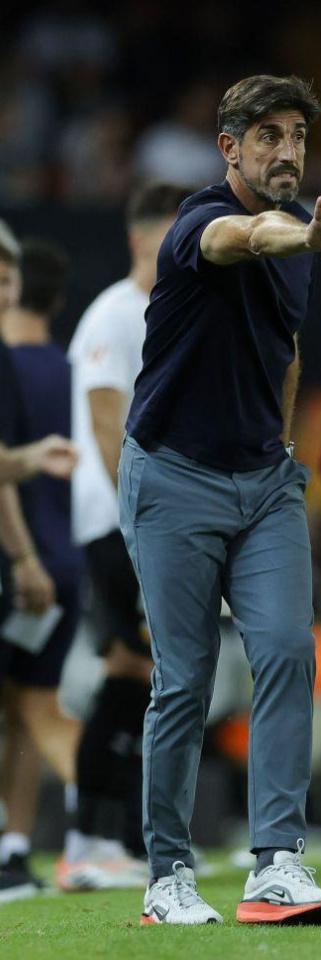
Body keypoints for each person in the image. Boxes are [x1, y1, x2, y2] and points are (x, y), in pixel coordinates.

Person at [118, 73, 321, 927]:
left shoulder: (298, 236)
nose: (287, 149)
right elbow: (241, 237)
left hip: (264, 483)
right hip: (174, 476)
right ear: (230, 149)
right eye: (268, 136)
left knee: (289, 650)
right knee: (184, 680)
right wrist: (295, 240)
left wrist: (285, 448)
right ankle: (167, 877)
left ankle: (276, 865)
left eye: (296, 133)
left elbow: (286, 351)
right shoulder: (198, 224)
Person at [58, 182, 188, 891]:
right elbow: (109, 425)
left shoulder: (163, 311)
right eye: (175, 233)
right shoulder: (114, 314)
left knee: (139, 671)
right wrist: (144, 527)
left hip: (137, 517)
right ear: (142, 239)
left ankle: (117, 839)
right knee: (132, 669)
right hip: (114, 516)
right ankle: (87, 840)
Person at [0, 239, 83, 897]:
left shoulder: (11, 364)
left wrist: (23, 555)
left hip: (22, 557)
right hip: (65, 554)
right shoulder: (68, 367)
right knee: (34, 711)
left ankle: (98, 827)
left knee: (25, 712)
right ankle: (22, 845)